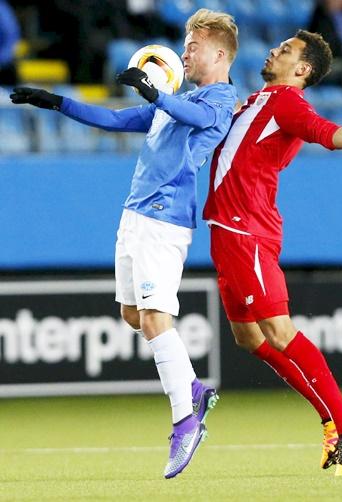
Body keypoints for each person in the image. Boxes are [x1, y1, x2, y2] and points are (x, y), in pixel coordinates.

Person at [10, 8, 238, 478]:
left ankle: (186, 421)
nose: (185, 52)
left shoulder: (219, 98)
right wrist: (55, 102)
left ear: (219, 53)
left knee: (156, 317)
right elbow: (114, 120)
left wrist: (156, 92)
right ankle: (192, 387)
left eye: (193, 46)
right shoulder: (172, 103)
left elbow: (193, 115)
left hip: (165, 219)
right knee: (133, 316)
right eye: (185, 44)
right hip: (134, 216)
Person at [203, 30, 342, 476]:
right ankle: (335, 417)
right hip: (227, 230)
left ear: (302, 69)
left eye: (287, 50)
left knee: (277, 330)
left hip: (247, 230)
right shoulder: (257, 99)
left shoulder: (287, 102)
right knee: (249, 338)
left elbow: (323, 132)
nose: (275, 49)